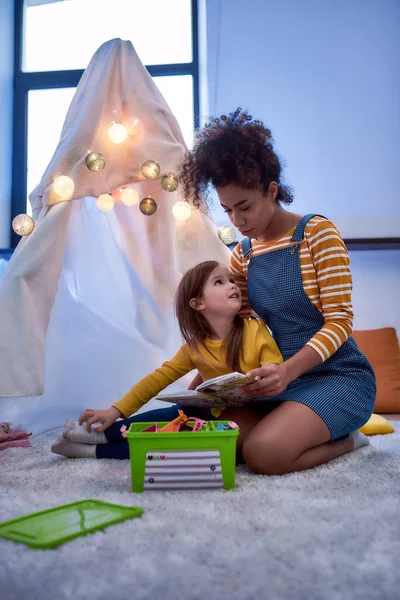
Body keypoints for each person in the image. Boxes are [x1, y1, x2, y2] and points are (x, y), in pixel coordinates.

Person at [178, 107, 376, 475]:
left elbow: (340, 321)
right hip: (277, 381)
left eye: (245, 207)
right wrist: (206, 381)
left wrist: (287, 371)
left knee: (265, 455)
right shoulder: (243, 256)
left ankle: (351, 438)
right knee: (218, 437)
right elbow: (240, 329)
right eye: (227, 210)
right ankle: (299, 428)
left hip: (338, 377)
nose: (237, 221)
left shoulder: (317, 235)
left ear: (271, 190)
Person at [51, 260, 283, 459]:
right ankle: (101, 435)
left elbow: (274, 363)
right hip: (205, 411)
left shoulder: (255, 329)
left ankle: (90, 451)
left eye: (231, 280)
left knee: (170, 441)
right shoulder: (195, 347)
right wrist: (115, 410)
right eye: (219, 282)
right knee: (160, 418)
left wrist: (266, 372)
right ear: (198, 304)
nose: (232, 285)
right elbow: (157, 380)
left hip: (239, 419)